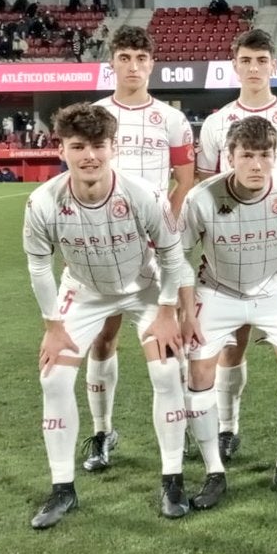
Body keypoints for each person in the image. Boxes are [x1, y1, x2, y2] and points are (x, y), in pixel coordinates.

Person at [24, 102, 187, 528]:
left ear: (113, 147)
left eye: (98, 145)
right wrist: (53, 326)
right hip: (83, 290)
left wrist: (168, 310)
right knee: (53, 377)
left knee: (168, 372)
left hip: (143, 287)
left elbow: (172, 256)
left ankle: (172, 478)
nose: (89, 156)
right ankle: (63, 488)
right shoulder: (42, 201)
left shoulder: (144, 195)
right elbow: (40, 266)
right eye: (78, 146)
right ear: (62, 149)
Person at [194, 29, 277, 463]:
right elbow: (207, 184)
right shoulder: (216, 123)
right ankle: (228, 428)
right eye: (245, 60)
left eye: (261, 59)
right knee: (233, 342)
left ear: (274, 66)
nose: (253, 68)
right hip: (231, 249)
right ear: (236, 65)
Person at [178, 116, 277, 508]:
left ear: (276, 156)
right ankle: (213, 471)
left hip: (272, 287)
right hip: (216, 290)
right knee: (200, 371)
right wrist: (186, 311)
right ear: (229, 157)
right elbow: (178, 256)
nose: (256, 164)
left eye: (265, 155)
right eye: (247, 155)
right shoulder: (202, 197)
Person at [80, 25, 195, 474]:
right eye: (125, 57)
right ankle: (103, 432)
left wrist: (165, 224)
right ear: (113, 61)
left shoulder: (171, 118)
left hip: (157, 248)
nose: (133, 66)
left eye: (141, 58)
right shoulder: (93, 113)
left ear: (152, 64)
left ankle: (179, 428)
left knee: (171, 340)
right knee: (104, 338)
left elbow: (185, 180)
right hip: (105, 247)